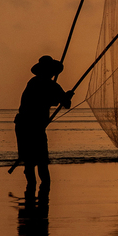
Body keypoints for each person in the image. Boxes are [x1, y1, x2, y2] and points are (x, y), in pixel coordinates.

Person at [15, 55, 74, 195]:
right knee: (40, 161)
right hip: (30, 126)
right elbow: (65, 103)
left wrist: (65, 97)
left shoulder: (37, 83)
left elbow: (64, 103)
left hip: (25, 125)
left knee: (31, 162)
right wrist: (67, 96)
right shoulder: (44, 84)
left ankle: (34, 191)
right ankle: (40, 189)